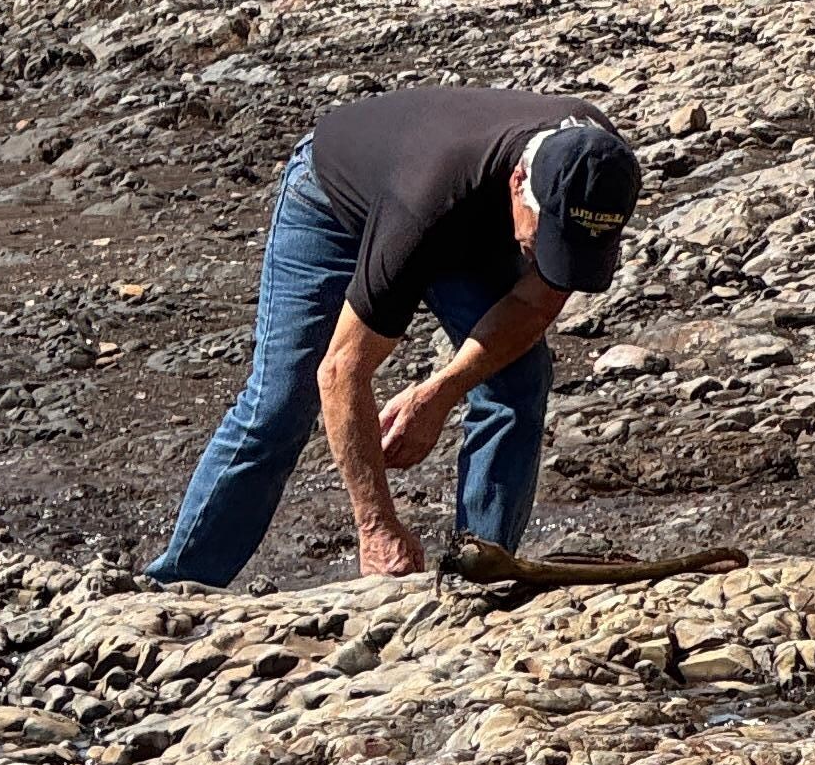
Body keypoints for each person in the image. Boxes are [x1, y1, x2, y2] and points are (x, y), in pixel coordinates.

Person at [149, 85, 642, 587]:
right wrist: (377, 527)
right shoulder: (426, 206)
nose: (544, 257)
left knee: (517, 380)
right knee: (280, 403)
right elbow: (341, 371)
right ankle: (178, 584)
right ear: (519, 184)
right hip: (333, 203)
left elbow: (534, 304)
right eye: (544, 240)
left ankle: (480, 576)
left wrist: (440, 392)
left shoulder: (598, 172)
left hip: (464, 213)